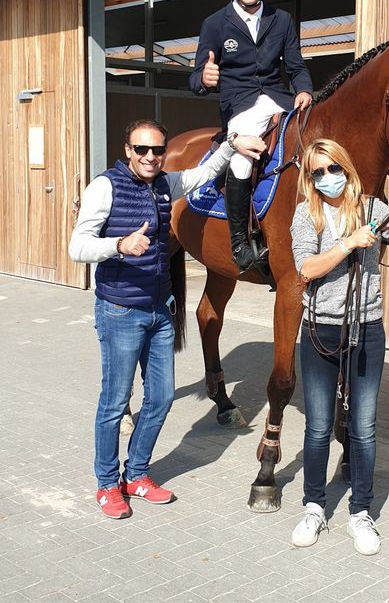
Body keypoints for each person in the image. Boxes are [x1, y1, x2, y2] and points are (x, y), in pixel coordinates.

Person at [69, 118, 265, 520]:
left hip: (160, 310)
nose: (151, 157)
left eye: (157, 150)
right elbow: (77, 246)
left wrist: (232, 144)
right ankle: (108, 484)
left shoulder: (165, 184)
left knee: (159, 399)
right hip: (120, 310)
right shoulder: (105, 186)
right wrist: (119, 244)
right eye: (142, 150)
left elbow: (205, 172)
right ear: (128, 151)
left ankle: (137, 475)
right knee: (114, 402)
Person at [290, 139, 389, 555]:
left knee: (363, 429)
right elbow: (305, 268)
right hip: (319, 334)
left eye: (332, 169)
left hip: (366, 331)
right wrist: (348, 243)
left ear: (346, 167)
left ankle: (360, 513)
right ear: (310, 179)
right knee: (317, 428)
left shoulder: (373, 209)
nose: (327, 178)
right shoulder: (306, 215)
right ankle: (313, 506)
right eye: (318, 173)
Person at [190, 0, 313, 273]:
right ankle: (240, 243)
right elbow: (195, 80)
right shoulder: (215, 23)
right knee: (243, 159)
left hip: (279, 100)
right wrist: (205, 77)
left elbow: (297, 66)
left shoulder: (282, 19)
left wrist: (304, 90)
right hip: (240, 107)